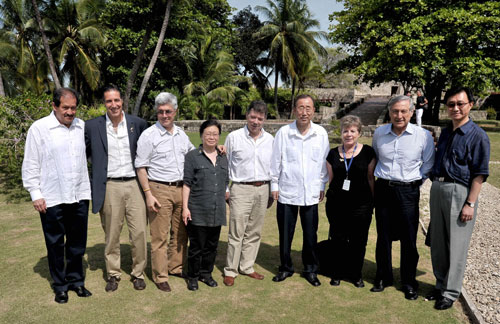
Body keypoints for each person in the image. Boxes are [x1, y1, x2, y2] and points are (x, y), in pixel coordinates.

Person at [22, 88, 92, 303]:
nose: (70, 112)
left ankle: (76, 281)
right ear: (54, 106)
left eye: (73, 108)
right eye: (65, 108)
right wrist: (36, 193)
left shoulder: (82, 127)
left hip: (79, 193)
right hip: (52, 196)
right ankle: (60, 285)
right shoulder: (40, 128)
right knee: (55, 244)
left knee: (77, 243)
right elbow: (31, 163)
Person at [427, 86, 490, 310]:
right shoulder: (446, 132)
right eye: (451, 104)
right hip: (438, 188)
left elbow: (480, 173)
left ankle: (451, 292)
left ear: (470, 105)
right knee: (438, 243)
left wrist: (470, 203)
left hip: (460, 191)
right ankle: (440, 284)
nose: (455, 108)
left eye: (460, 104)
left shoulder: (478, 136)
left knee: (457, 245)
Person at [85, 85, 148, 292]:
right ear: (104, 104)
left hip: (134, 184)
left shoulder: (137, 124)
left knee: (138, 232)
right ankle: (113, 273)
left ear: (123, 101)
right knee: (112, 234)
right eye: (109, 101)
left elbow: (150, 150)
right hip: (109, 185)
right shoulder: (92, 126)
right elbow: (82, 153)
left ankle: (138, 273)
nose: (114, 104)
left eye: (116, 100)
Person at [370, 95, 434, 300]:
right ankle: (383, 277)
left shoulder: (423, 135)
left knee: (408, 239)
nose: (399, 115)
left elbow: (428, 165)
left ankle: (408, 282)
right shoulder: (380, 133)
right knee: (384, 237)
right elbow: (377, 158)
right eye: (395, 111)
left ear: (412, 112)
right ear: (389, 113)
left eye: (403, 111)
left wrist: (414, 183)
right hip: (384, 189)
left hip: (408, 191)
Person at [135, 92, 194, 292]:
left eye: (168, 111)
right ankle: (160, 276)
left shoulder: (181, 134)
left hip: (180, 189)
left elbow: (193, 155)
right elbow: (141, 167)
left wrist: (214, 148)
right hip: (159, 188)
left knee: (180, 232)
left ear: (175, 112)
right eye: (160, 112)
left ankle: (175, 267)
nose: (164, 115)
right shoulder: (149, 135)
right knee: (160, 236)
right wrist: (148, 194)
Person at [270, 94, 330, 287]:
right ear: (295, 110)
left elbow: (323, 162)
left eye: (308, 108)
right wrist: (274, 185)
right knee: (286, 233)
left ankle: (310, 269)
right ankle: (286, 267)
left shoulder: (320, 133)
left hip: (311, 192)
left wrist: (322, 185)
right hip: (287, 191)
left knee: (310, 234)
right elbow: (275, 161)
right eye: (300, 107)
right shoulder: (284, 133)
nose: (304, 112)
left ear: (313, 110)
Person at [222, 100, 274, 287]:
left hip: (263, 188)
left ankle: (247, 266)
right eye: (253, 117)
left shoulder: (270, 140)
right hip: (240, 188)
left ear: (265, 119)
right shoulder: (234, 137)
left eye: (260, 118)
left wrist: (272, 189)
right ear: (247, 116)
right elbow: (225, 166)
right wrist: (226, 190)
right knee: (237, 231)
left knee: (254, 231)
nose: (256, 121)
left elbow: (274, 167)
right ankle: (231, 270)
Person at [325, 115, 376, 288]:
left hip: (361, 205)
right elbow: (331, 181)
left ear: (359, 133)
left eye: (352, 131)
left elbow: (370, 178)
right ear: (341, 133)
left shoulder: (368, 152)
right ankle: (336, 273)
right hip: (337, 205)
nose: (349, 134)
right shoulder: (332, 154)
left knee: (358, 241)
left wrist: (372, 201)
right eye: (345, 131)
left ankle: (356, 274)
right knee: (338, 239)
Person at [182, 118, 229, 291]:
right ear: (201, 135)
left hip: (217, 209)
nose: (211, 137)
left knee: (212, 246)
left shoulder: (224, 157)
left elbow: (225, 183)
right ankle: (193, 276)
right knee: (196, 247)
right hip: (198, 209)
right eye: (208, 133)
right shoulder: (192, 157)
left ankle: (206, 274)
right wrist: (185, 208)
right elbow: (187, 184)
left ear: (219, 136)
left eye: (215, 134)